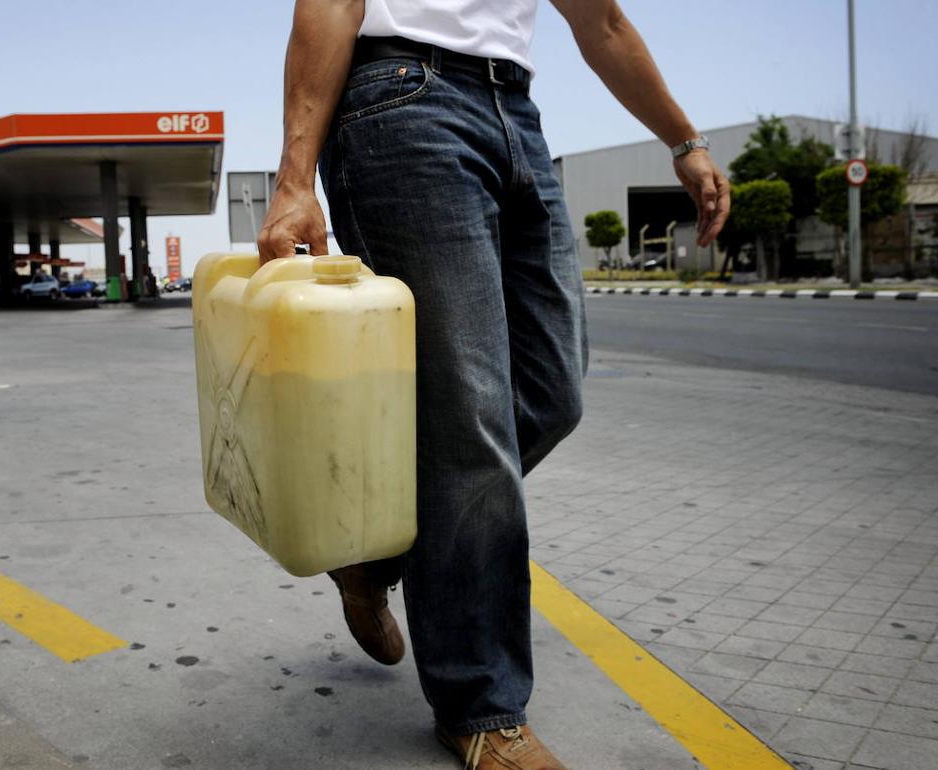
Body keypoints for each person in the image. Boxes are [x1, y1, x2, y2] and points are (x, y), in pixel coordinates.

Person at [256, 2, 730, 768]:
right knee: (469, 419)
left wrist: (686, 142)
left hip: (515, 111)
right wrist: (295, 177)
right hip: (400, 103)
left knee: (552, 392)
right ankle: (480, 708)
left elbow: (601, 22)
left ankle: (377, 560)